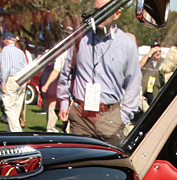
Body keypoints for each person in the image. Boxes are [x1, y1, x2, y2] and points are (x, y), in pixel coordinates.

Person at [57, 0, 141, 145]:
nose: (99, 15)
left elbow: (133, 84)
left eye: (104, 10)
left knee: (109, 165)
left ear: (117, 14)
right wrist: (64, 103)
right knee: (79, 164)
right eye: (96, 10)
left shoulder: (127, 45)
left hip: (111, 118)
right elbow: (66, 73)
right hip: (81, 117)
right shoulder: (80, 38)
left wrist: (122, 116)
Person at [0, 31, 27, 132]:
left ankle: (16, 130)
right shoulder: (20, 52)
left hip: (11, 78)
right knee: (17, 106)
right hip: (22, 79)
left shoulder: (6, 50)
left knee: (9, 106)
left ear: (6, 40)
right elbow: (25, 66)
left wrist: (3, 82)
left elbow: (5, 67)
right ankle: (10, 130)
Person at [41, 50, 68, 132]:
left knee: (53, 106)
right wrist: (47, 85)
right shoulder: (65, 54)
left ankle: (52, 127)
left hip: (63, 84)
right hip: (63, 84)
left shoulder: (63, 53)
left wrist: (47, 85)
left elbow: (56, 70)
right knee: (53, 106)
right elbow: (56, 70)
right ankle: (52, 127)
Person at [140, 41, 162, 110]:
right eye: (155, 51)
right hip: (146, 92)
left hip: (156, 93)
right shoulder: (147, 61)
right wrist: (149, 53)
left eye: (159, 51)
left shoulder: (162, 63)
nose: (158, 53)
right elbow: (139, 66)